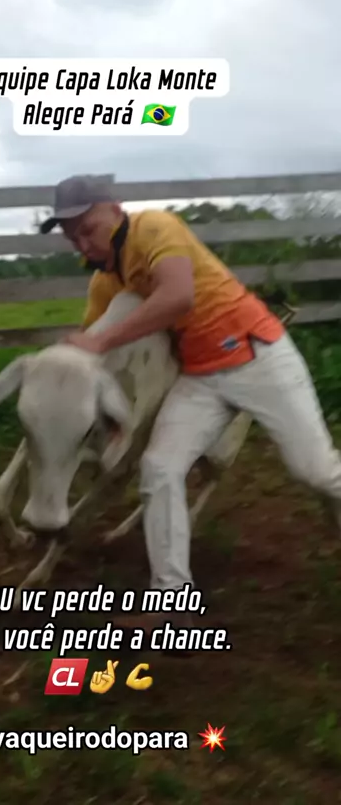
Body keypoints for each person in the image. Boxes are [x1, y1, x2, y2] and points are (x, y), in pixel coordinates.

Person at [40, 174, 341, 639]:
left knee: (316, 472)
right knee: (159, 468)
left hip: (257, 356)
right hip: (201, 376)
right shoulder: (106, 281)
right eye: (71, 237)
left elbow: (177, 296)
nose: (82, 242)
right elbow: (95, 352)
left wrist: (99, 341)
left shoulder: (154, 227)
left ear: (115, 210)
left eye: (88, 229)